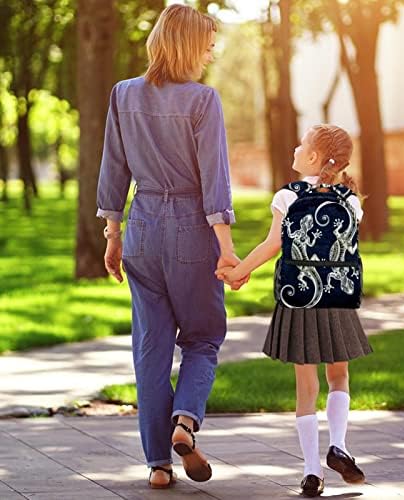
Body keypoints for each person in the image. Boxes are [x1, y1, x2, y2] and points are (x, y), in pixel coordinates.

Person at [96, 4, 247, 489]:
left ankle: (158, 464)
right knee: (203, 338)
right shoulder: (203, 101)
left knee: (152, 347)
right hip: (191, 229)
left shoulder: (123, 94)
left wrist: (113, 235)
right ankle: (185, 421)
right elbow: (214, 182)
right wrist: (226, 248)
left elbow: (113, 169)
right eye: (206, 45)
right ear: (186, 46)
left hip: (140, 227)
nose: (210, 53)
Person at [216, 124, 373, 497]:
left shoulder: (287, 196)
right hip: (337, 299)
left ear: (314, 158)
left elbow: (273, 244)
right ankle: (340, 445)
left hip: (298, 298)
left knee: (306, 387)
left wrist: (238, 272)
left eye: (301, 144)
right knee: (339, 377)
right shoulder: (352, 201)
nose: (295, 148)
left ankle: (311, 471)